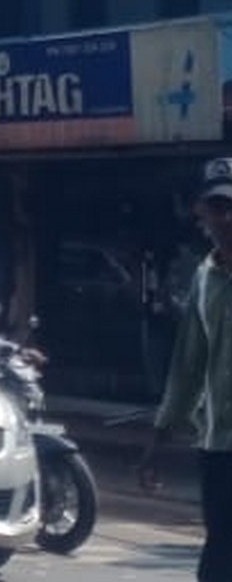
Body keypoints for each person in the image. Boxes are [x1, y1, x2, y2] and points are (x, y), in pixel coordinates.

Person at [138, 159, 232, 582]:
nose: (226, 218)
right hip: (218, 445)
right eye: (218, 208)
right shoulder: (204, 278)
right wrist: (158, 440)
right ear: (202, 213)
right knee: (220, 552)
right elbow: (188, 366)